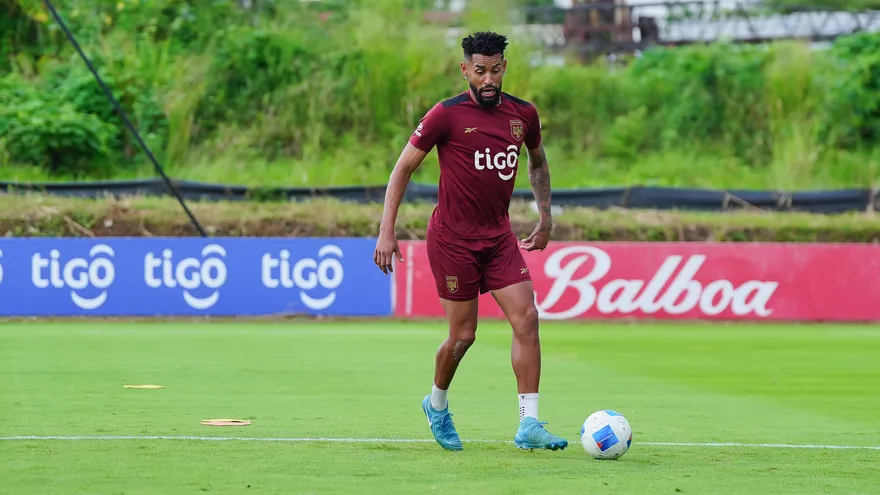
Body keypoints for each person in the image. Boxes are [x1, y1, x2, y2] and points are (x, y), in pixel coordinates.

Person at [372, 31, 566, 452]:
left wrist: (546, 217)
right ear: (466, 70)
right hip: (453, 240)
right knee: (463, 336)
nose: (489, 78)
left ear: (504, 67)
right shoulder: (446, 115)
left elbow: (538, 163)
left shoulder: (523, 115)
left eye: (496, 69)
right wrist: (387, 230)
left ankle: (528, 424)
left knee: (527, 319)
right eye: (480, 70)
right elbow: (401, 169)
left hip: (498, 238)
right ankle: (437, 403)